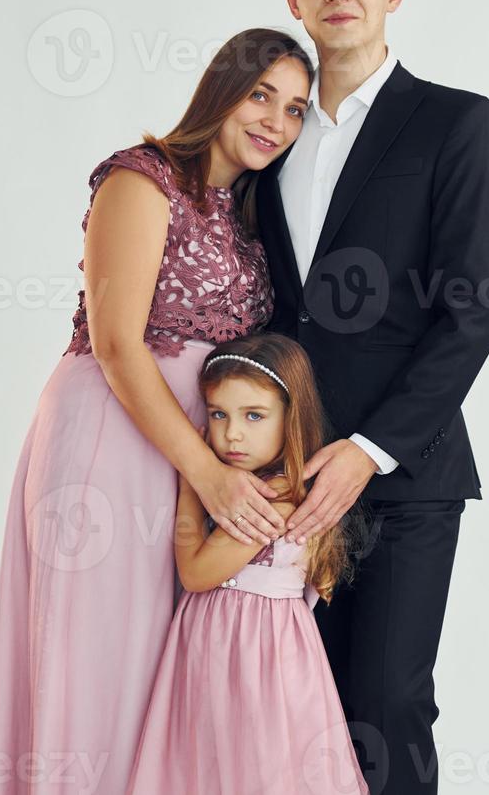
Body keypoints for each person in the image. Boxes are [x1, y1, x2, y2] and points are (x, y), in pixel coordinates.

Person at [0, 29, 314, 795]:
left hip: (196, 457)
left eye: (295, 109)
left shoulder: (252, 216)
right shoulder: (142, 178)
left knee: (170, 682)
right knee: (97, 669)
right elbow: (116, 340)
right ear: (220, 88)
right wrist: (207, 472)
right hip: (115, 436)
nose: (275, 121)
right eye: (261, 94)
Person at [256, 0, 489, 795]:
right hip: (279, 483)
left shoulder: (452, 123)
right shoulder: (267, 139)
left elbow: (471, 315)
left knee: (386, 711)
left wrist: (365, 453)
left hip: (404, 479)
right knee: (291, 712)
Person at [125, 332, 370, 795]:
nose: (232, 433)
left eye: (253, 416)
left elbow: (195, 573)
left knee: (246, 765)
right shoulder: (276, 491)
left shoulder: (270, 505)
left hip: (246, 654)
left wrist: (189, 482)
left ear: (291, 420)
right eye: (219, 414)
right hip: (245, 651)